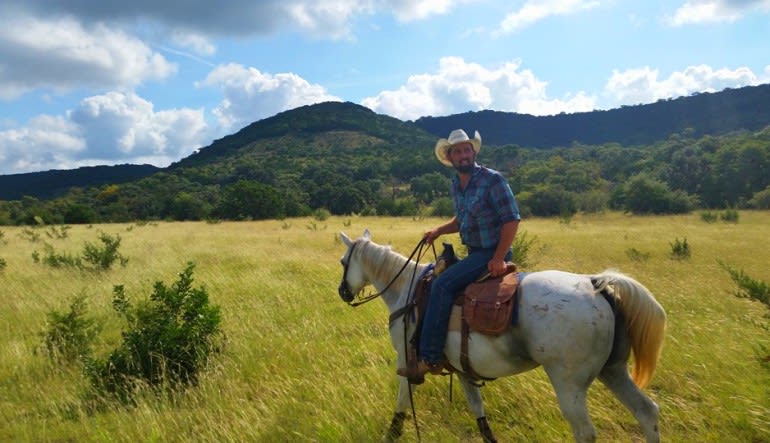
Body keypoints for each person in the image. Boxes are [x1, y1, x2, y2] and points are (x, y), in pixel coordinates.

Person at [397, 129, 521, 381]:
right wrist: (438, 230)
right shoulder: (457, 185)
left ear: (474, 152)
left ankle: (430, 357)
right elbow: (461, 219)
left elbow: (511, 220)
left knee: (442, 284)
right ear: (450, 157)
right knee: (433, 277)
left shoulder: (492, 180)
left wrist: (497, 258)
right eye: (457, 151)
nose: (463, 155)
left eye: (466, 150)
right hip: (475, 251)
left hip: (490, 252)